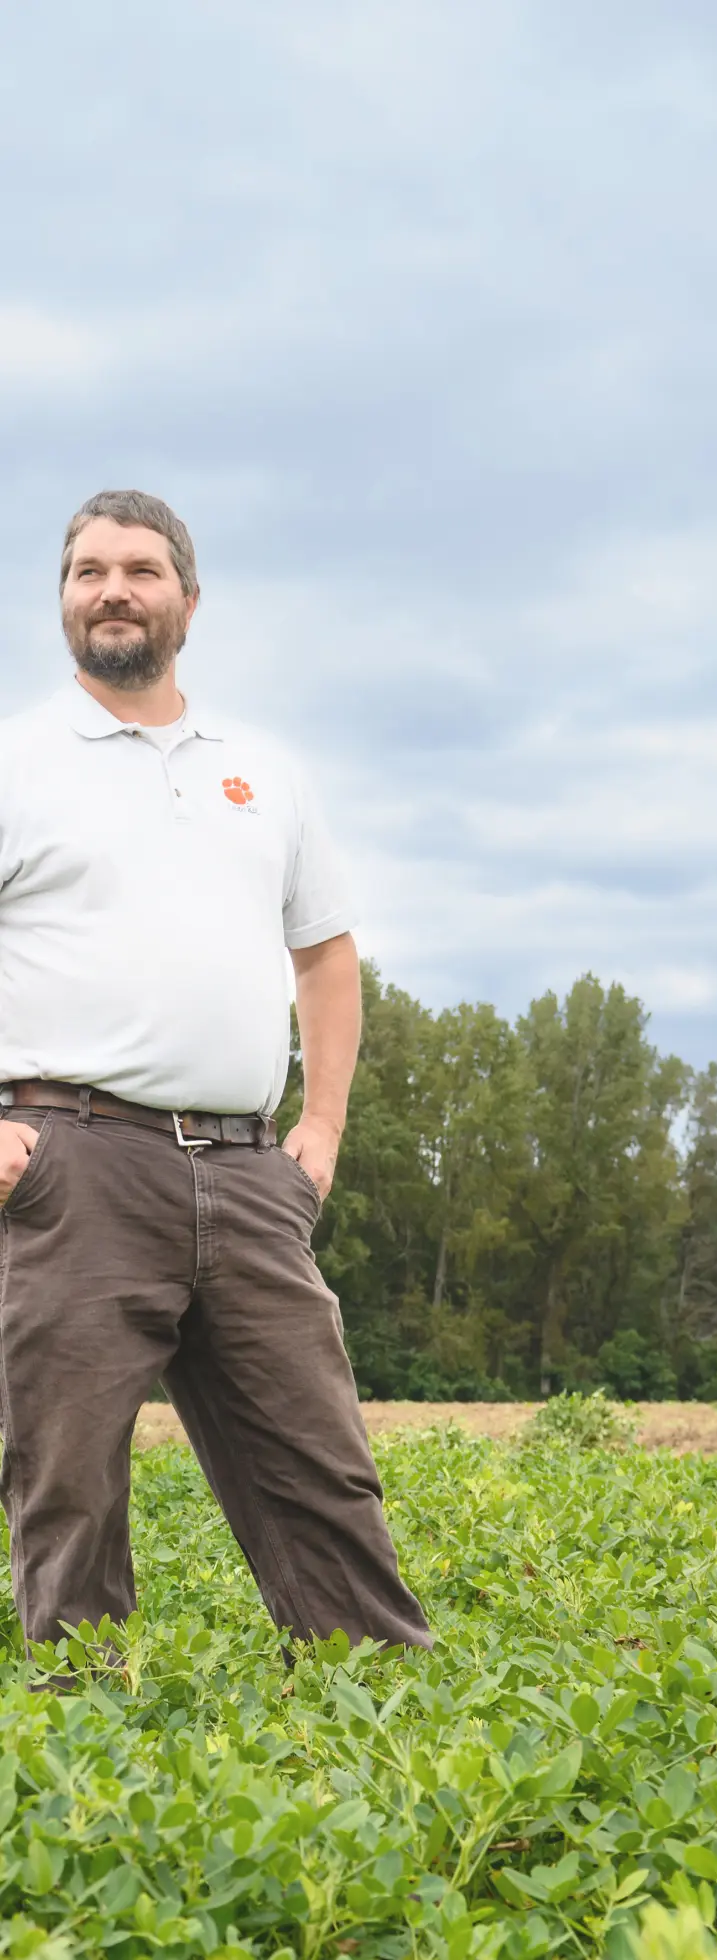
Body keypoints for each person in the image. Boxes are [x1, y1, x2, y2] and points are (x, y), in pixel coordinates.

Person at [0, 489, 431, 1657]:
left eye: (140, 569)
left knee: (317, 1460)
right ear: (62, 600)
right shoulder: (18, 759)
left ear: (188, 597)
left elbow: (325, 948)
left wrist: (323, 1128)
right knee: (68, 1475)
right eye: (87, 571)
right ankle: (86, 1741)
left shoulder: (264, 770)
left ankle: (378, 1696)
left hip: (247, 1171)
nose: (112, 591)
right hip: (71, 1160)